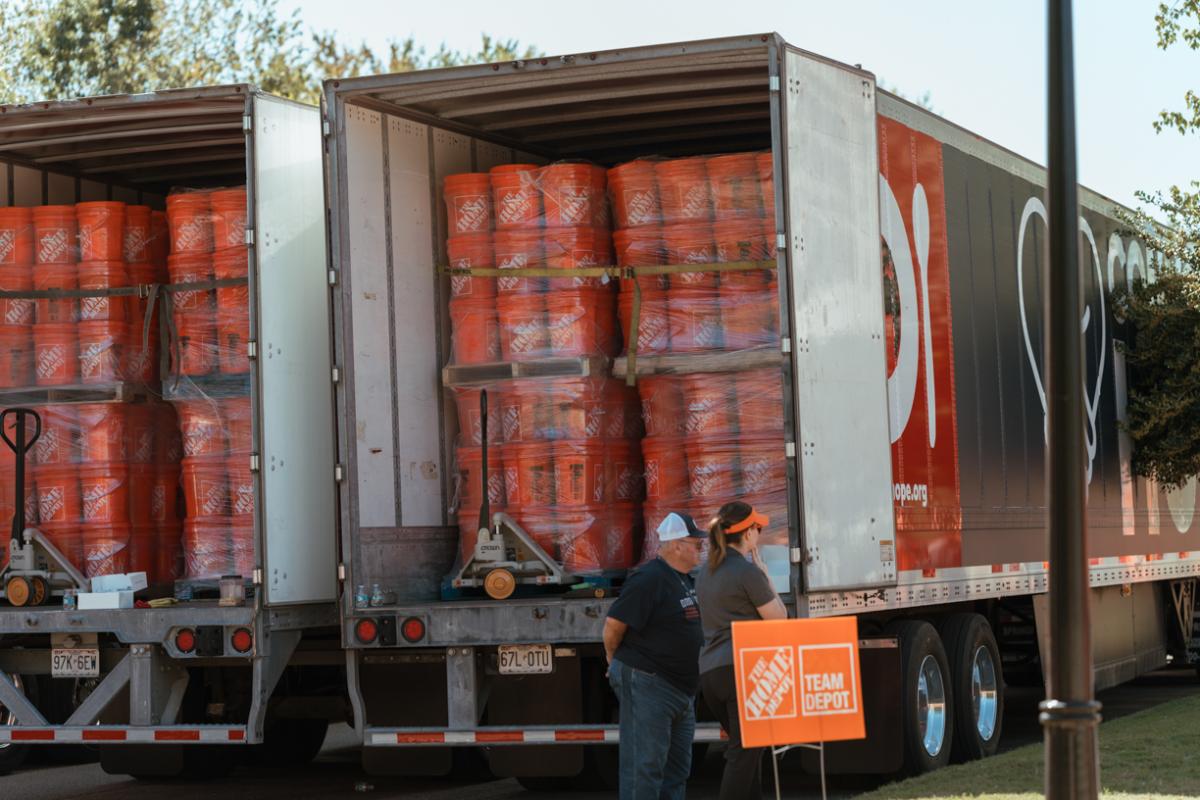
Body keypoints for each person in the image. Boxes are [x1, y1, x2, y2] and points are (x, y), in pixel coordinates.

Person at [604, 512, 706, 800]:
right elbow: (613, 625)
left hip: (680, 690)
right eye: (696, 544)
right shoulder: (649, 578)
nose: (701, 549)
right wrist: (612, 660)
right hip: (650, 683)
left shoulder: (683, 578)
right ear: (675, 544)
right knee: (644, 769)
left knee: (677, 771)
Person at [695, 502, 788, 800]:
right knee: (744, 753)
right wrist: (767, 576)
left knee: (748, 751)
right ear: (747, 534)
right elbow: (779, 618)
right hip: (743, 672)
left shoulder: (704, 574)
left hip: (711, 675)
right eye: (757, 528)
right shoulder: (748, 573)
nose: (759, 533)